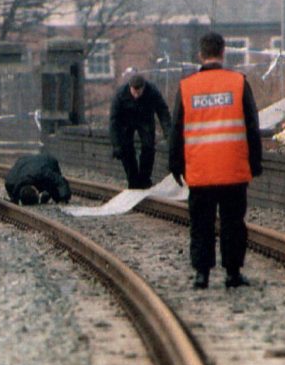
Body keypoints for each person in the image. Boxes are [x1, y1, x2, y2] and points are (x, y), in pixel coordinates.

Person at [168, 32, 262, 289]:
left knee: (201, 223)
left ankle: (202, 274)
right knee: (233, 223)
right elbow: (252, 126)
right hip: (232, 168)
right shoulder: (238, 83)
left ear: (201, 54)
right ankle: (232, 273)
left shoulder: (187, 87)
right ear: (223, 53)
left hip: (200, 171)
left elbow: (176, 129)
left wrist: (176, 165)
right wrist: (255, 162)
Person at [109, 73, 172, 189]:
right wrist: (116, 145)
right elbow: (113, 121)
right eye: (134, 91)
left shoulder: (152, 91)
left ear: (144, 87)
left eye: (139, 91)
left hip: (145, 118)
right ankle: (133, 180)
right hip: (126, 120)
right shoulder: (120, 95)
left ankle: (144, 179)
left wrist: (169, 134)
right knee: (126, 149)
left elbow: (163, 112)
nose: (136, 94)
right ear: (130, 87)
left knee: (148, 147)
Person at [4, 152, 71, 205]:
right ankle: (47, 195)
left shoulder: (44, 172)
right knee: (50, 183)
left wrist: (63, 198)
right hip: (24, 161)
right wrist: (14, 199)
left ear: (35, 190)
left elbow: (60, 182)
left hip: (47, 160)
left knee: (53, 185)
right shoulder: (11, 182)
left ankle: (49, 194)